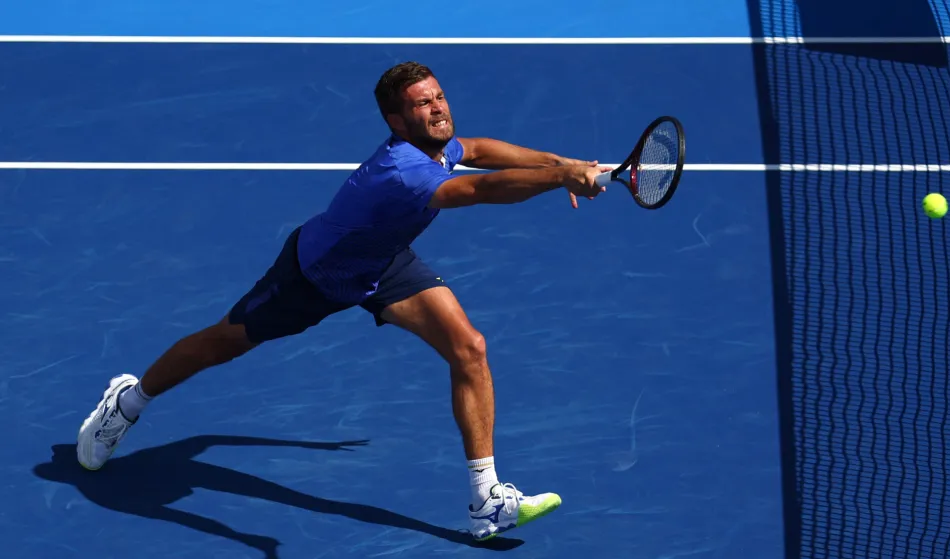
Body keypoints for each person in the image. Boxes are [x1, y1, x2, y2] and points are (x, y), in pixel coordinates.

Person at [76, 61, 610, 542]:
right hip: (315, 274)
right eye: (423, 104)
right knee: (223, 344)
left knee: (468, 348)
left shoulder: (435, 145)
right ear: (397, 122)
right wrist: (559, 177)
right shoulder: (404, 170)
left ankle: (487, 501)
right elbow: (477, 190)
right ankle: (127, 402)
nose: (439, 108)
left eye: (439, 96)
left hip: (382, 262)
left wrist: (557, 160)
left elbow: (476, 150)